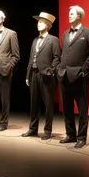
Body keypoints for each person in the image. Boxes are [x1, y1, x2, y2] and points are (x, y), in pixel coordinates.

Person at [57, 5, 89, 148]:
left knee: (82, 109)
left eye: (72, 14)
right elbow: (64, 53)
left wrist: (84, 69)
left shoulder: (88, 33)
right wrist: (59, 69)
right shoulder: (65, 34)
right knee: (67, 108)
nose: (69, 15)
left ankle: (81, 137)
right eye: (69, 13)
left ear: (79, 16)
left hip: (80, 77)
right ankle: (70, 134)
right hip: (64, 75)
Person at [22, 12, 60, 140]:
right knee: (34, 103)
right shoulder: (35, 40)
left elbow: (56, 57)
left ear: (48, 25)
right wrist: (28, 75)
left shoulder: (53, 40)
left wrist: (50, 71)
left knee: (48, 104)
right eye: (38, 22)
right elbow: (31, 59)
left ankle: (47, 131)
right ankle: (33, 129)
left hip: (47, 76)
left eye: (42, 22)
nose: (38, 24)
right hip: (34, 74)